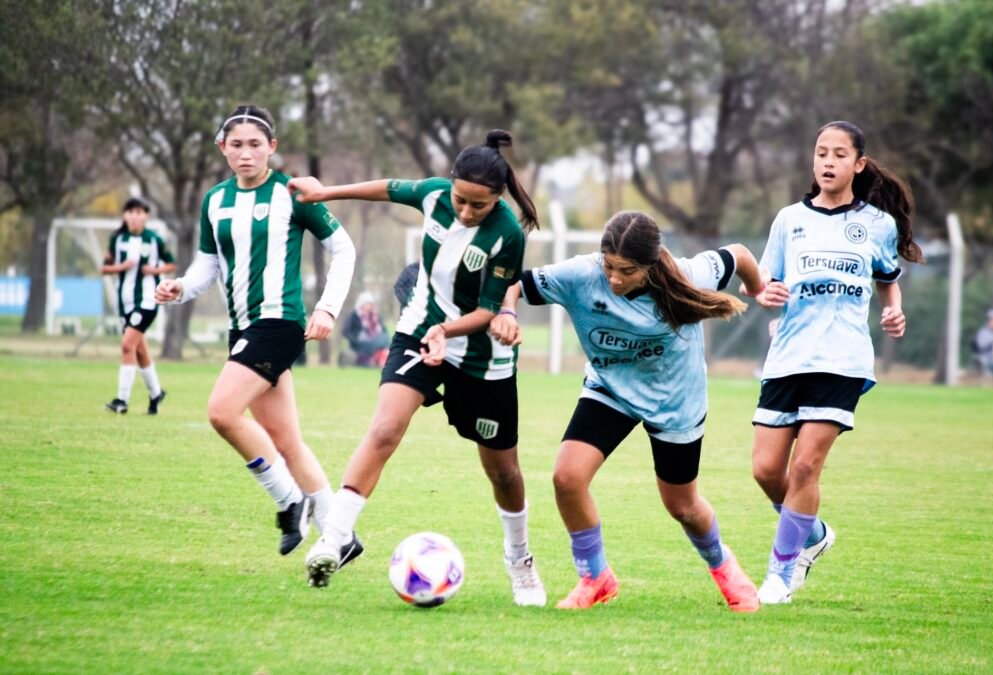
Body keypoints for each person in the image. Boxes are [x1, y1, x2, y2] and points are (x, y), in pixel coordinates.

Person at [289, 130, 548, 606]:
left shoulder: (508, 235)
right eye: (460, 200)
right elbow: (389, 187)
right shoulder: (433, 196)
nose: (467, 212)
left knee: (503, 471)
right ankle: (335, 537)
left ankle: (520, 561)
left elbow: (491, 310)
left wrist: (446, 334)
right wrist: (326, 193)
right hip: (417, 328)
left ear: (497, 198)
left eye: (479, 205)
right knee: (385, 429)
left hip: (479, 355)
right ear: (448, 185)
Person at [491, 210, 766, 612]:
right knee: (567, 477)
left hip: (674, 399)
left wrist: (757, 287)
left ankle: (723, 567)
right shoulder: (582, 275)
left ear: (651, 266)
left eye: (628, 271)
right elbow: (515, 284)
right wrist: (508, 313)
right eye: (610, 267)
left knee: (683, 506)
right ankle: (595, 577)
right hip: (611, 389)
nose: (615, 278)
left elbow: (740, 254)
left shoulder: (688, 273)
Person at [155, 104, 360, 562]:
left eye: (255, 144)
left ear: (272, 147)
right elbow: (208, 266)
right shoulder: (215, 201)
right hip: (242, 328)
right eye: (236, 145)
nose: (246, 153)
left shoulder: (292, 194)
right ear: (222, 149)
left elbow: (343, 249)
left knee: (222, 412)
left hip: (280, 322)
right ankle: (340, 536)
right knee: (285, 440)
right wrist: (180, 287)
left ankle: (290, 501)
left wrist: (326, 308)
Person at [749, 121, 922, 604]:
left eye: (839, 154)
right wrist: (768, 293)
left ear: (858, 164)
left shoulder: (877, 224)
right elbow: (765, 281)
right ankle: (813, 533)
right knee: (766, 470)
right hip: (787, 357)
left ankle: (781, 574)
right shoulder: (789, 220)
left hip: (842, 359)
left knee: (805, 467)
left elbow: (888, 276)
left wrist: (893, 307)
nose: (828, 162)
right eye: (821, 152)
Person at [101, 197, 175, 415]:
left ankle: (121, 401)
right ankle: (156, 394)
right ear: (125, 215)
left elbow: (171, 263)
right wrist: (121, 266)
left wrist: (154, 271)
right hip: (124, 302)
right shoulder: (117, 239)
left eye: (139, 212)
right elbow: (105, 268)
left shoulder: (154, 240)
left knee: (127, 345)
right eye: (131, 212)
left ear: (146, 216)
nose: (135, 216)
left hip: (147, 301)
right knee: (140, 350)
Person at [339, 292, 390, 367]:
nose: (369, 306)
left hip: (377, 341)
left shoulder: (376, 316)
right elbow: (346, 331)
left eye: (370, 304)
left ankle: (380, 360)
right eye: (367, 304)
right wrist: (355, 340)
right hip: (361, 343)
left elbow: (384, 331)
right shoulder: (354, 315)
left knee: (384, 339)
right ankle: (373, 360)